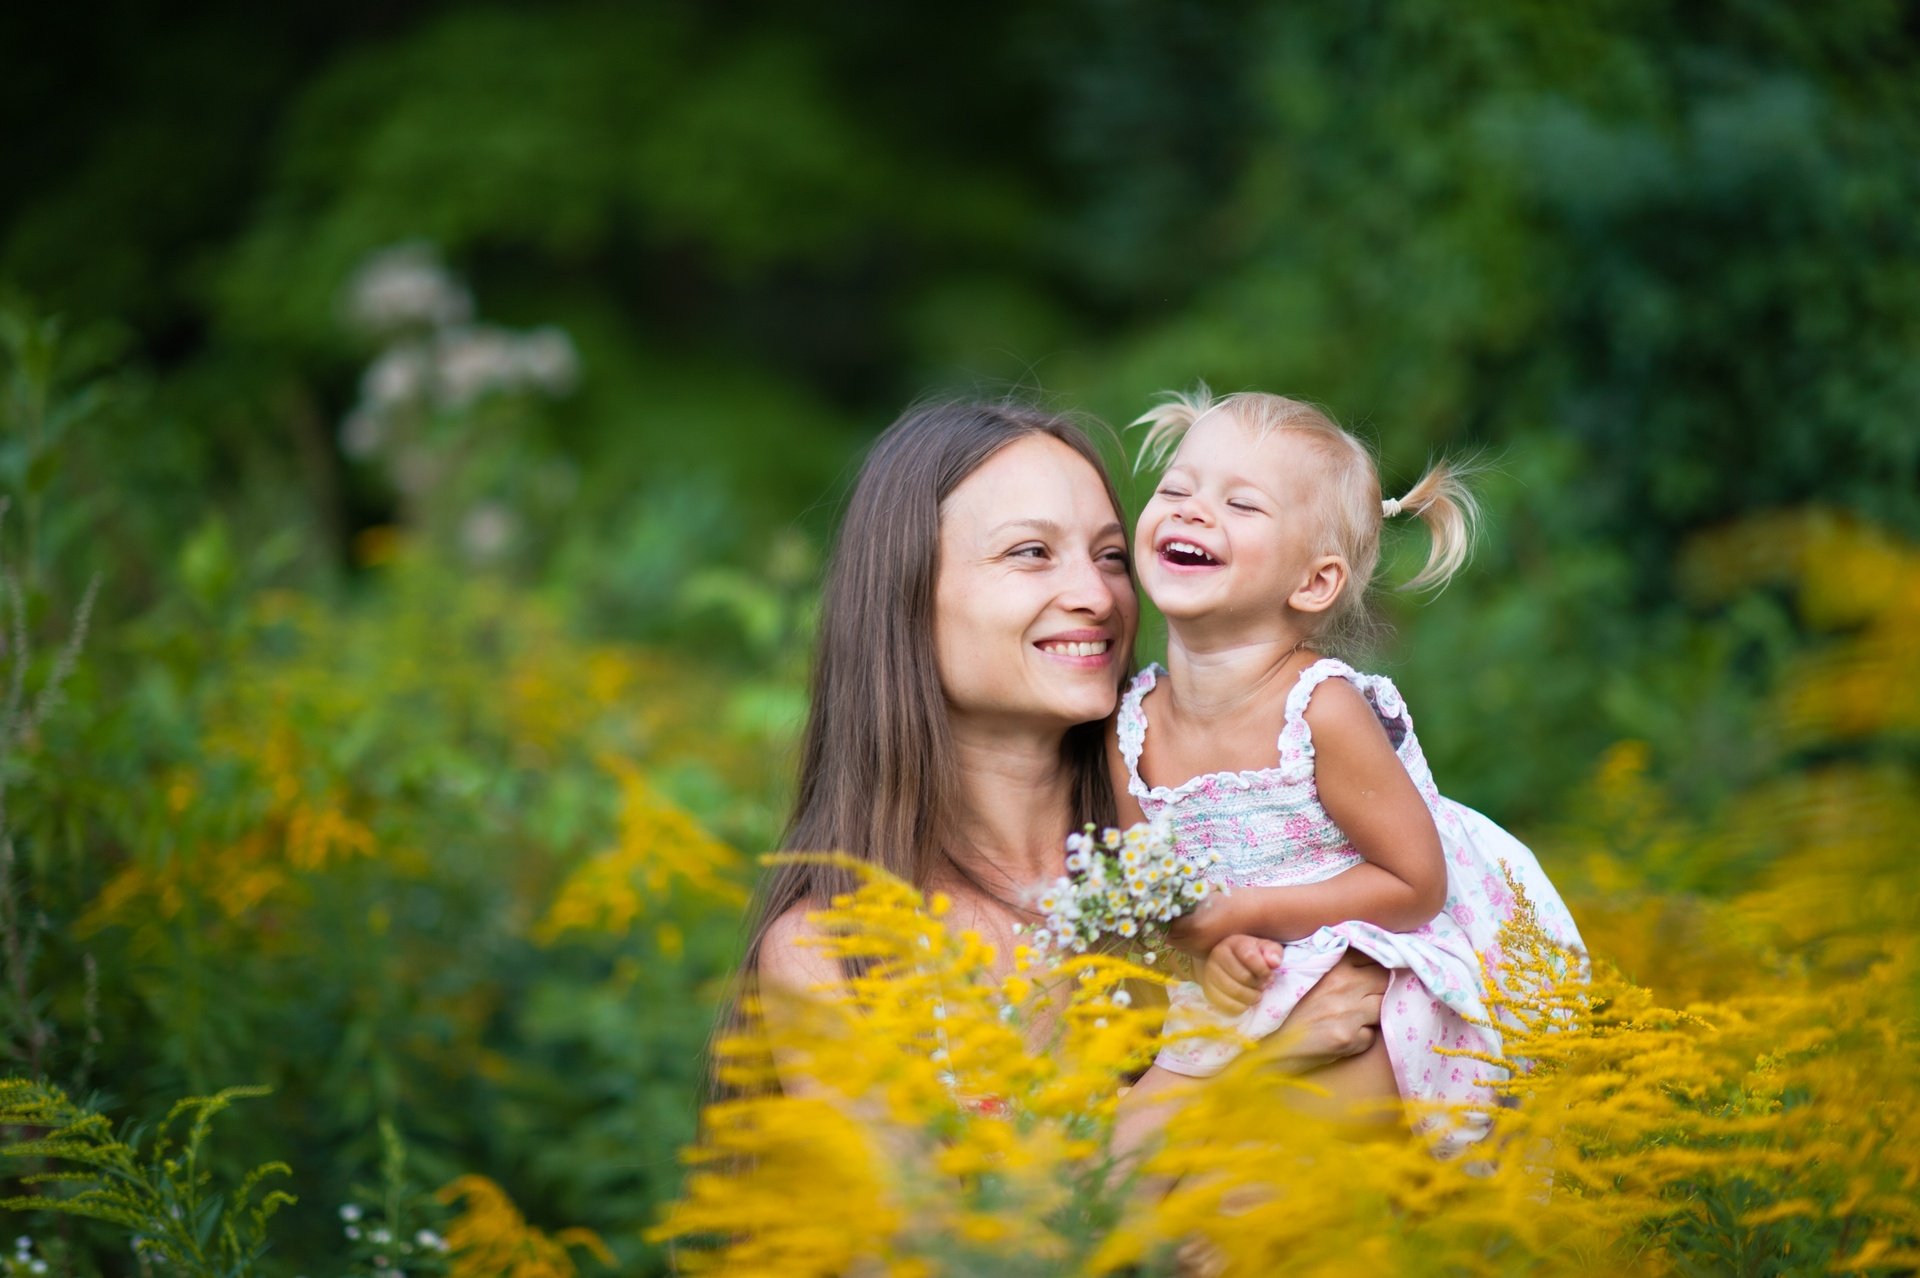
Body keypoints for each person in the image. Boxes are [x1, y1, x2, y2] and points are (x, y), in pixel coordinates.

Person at [738, 399, 1390, 1095]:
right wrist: (1246, 1066)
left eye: (1111, 557)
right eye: (1031, 553)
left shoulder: (1232, 844)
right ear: (904, 594)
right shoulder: (835, 950)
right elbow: (939, 1210)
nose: (1098, 596)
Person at [1110, 386, 1585, 1153]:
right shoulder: (1131, 728)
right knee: (1124, 1154)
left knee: (1253, 1184)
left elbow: (1414, 884)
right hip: (1247, 983)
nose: (1193, 511)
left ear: (1314, 582)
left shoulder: (1319, 708)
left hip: (1370, 966)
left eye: (1241, 505)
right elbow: (1161, 911)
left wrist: (1245, 912)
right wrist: (1214, 948)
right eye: (1176, 489)